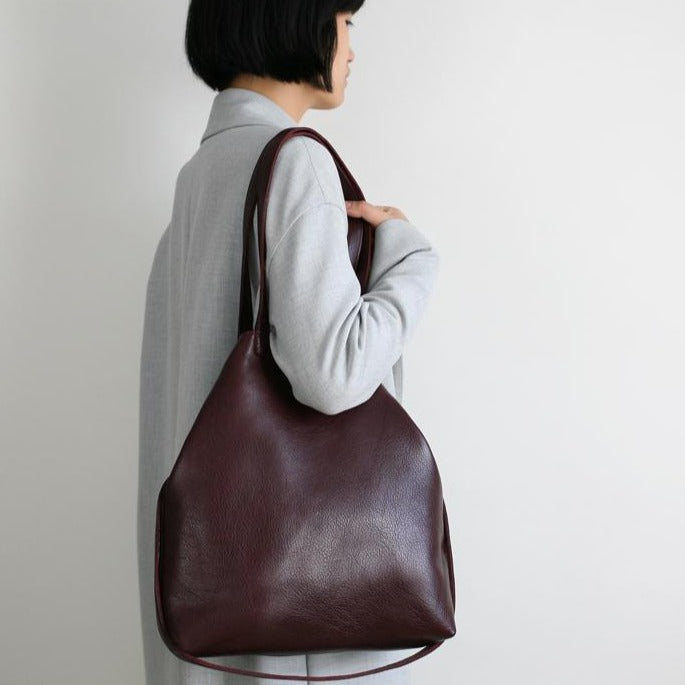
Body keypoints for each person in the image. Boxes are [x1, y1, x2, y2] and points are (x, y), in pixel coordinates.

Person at [137, 1, 440, 683]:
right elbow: (332, 373)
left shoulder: (200, 174)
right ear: (294, 17)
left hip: (212, 601)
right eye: (346, 21)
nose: (352, 48)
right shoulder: (295, 161)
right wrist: (410, 259)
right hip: (300, 631)